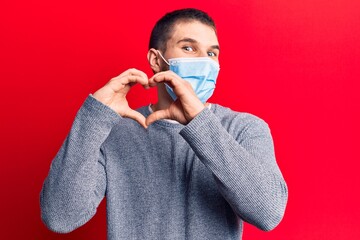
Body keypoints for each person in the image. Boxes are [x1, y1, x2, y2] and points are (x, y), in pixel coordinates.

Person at [40, 8, 288, 240]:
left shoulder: (244, 128)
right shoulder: (115, 131)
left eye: (212, 53)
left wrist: (200, 123)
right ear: (156, 60)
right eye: (189, 48)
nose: (205, 62)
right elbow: (60, 216)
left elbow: (268, 213)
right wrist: (94, 115)